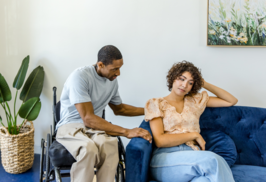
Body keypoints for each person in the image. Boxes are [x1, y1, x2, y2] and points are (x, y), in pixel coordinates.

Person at [56, 45, 152, 182]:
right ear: (100, 64)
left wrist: (149, 110)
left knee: (110, 146)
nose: (118, 73)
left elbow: (120, 109)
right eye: (115, 69)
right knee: (87, 149)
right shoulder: (80, 77)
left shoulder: (112, 81)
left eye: (120, 68)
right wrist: (126, 131)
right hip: (70, 126)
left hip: (94, 128)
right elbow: (88, 119)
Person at [144, 61, 238, 182]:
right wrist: (194, 135)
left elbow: (231, 100)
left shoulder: (195, 101)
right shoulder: (155, 103)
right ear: (173, 78)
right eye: (181, 79)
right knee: (213, 160)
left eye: (190, 83)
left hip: (193, 155)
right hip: (166, 158)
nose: (184, 85)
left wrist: (203, 83)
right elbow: (160, 141)